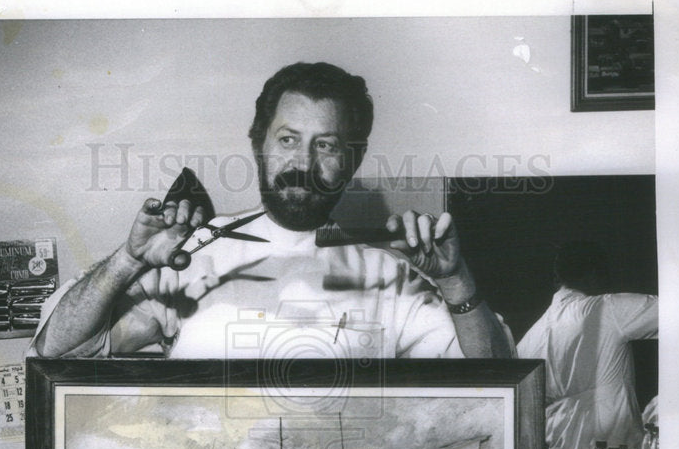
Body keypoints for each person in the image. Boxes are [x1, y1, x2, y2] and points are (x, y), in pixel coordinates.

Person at [33, 62, 510, 361]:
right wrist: (128, 261)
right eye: (287, 140)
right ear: (259, 145)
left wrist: (454, 280)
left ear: (354, 159)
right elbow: (54, 352)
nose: (302, 164)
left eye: (325, 145)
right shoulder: (188, 256)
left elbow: (499, 386)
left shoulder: (392, 275)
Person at [517, 241, 658, 449]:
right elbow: (677, 310)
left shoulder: (527, 341)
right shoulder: (604, 309)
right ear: (595, 274)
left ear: (557, 279)